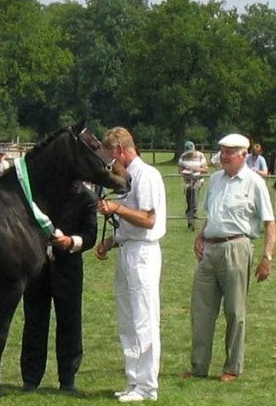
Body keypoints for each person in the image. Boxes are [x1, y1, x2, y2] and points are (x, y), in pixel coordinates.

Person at [185, 133, 275, 383]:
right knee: (201, 311)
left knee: (235, 311)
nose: (224, 156)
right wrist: (200, 236)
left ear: (244, 155)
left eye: (230, 152)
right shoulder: (214, 180)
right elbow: (211, 215)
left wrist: (266, 257)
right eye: (222, 151)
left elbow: (270, 223)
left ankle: (232, 367)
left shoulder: (255, 183)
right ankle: (198, 367)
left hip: (237, 247)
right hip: (209, 251)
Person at [94, 126, 166, 403]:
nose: (109, 163)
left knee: (144, 319)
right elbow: (130, 222)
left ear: (121, 150)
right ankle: (133, 380)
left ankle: (148, 385)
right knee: (128, 320)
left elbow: (148, 219)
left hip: (143, 253)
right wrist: (110, 242)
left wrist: (117, 208)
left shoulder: (146, 176)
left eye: (111, 156)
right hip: (127, 249)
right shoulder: (127, 177)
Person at [20, 182, 97, 394]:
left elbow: (90, 235)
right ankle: (30, 378)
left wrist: (72, 241)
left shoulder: (87, 198)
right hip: (38, 267)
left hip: (68, 267)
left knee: (70, 322)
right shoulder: (41, 193)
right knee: (34, 321)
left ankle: (67, 379)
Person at [178, 141, 208, 231]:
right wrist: (185, 171)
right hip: (187, 180)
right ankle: (190, 219)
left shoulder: (200, 156)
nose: (190, 154)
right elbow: (179, 169)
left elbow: (206, 169)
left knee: (194, 190)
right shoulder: (183, 157)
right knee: (189, 198)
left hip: (198, 179)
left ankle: (193, 215)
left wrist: (196, 169)